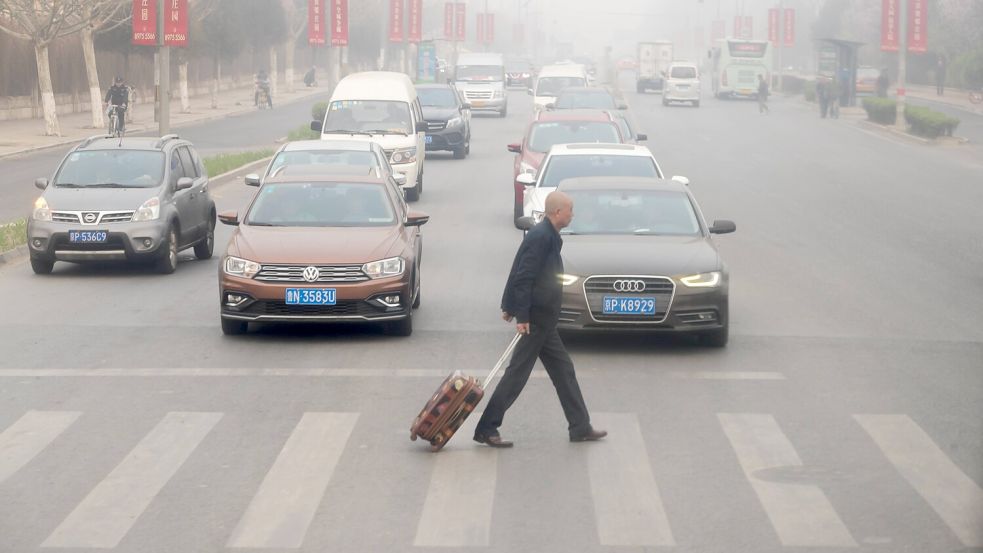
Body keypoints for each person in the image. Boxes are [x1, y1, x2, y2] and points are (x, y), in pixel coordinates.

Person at [473, 191, 606, 448]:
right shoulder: (541, 237)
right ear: (558, 212)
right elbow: (523, 275)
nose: (573, 214)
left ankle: (580, 426)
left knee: (563, 370)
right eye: (570, 210)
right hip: (535, 319)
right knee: (516, 375)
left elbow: (521, 270)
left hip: (544, 319)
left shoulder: (548, 235)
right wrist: (520, 314)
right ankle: (486, 427)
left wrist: (510, 305)